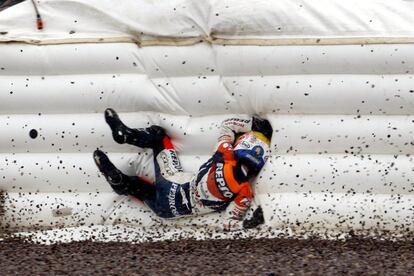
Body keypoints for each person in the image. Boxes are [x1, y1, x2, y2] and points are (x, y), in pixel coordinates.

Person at [93, 108, 272, 230]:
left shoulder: (225, 153)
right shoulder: (245, 192)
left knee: (158, 136)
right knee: (138, 187)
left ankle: (128, 135)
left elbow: (227, 124)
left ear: (241, 144)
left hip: (172, 184)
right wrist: (249, 223)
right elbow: (228, 223)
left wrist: (253, 124)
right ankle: (120, 182)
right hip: (168, 211)